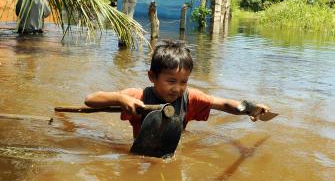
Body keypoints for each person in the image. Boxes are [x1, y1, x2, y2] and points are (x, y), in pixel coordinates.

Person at [85, 40, 271, 138]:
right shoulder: (138, 96)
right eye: (171, 81)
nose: (177, 88)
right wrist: (119, 99)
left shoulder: (189, 99)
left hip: (173, 146)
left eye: (184, 82)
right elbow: (90, 99)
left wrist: (250, 109)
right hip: (140, 148)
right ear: (152, 77)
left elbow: (222, 104)